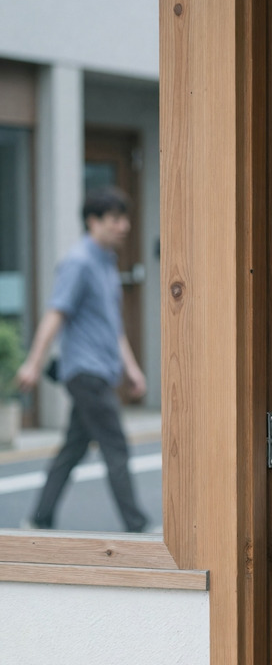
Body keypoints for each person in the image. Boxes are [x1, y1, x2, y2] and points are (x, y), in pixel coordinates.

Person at [16, 186, 149, 532]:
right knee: (115, 444)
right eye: (115, 218)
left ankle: (39, 518)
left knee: (73, 448)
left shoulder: (106, 263)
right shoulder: (78, 262)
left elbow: (113, 327)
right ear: (93, 221)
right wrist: (33, 362)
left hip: (101, 371)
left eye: (125, 218)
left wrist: (132, 369)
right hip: (84, 370)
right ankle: (136, 524)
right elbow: (55, 313)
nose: (124, 225)